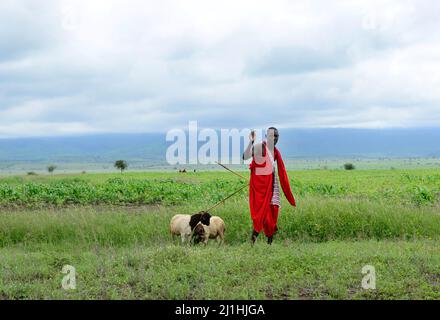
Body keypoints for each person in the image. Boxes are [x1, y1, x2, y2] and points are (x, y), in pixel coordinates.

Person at [243, 127, 296, 245]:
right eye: (271, 136)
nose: (274, 138)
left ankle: (269, 245)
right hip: (261, 187)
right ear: (267, 136)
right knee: (262, 214)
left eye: (276, 136)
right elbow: (245, 156)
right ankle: (252, 242)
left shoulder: (276, 152)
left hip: (273, 184)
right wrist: (251, 142)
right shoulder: (260, 147)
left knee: (273, 212)